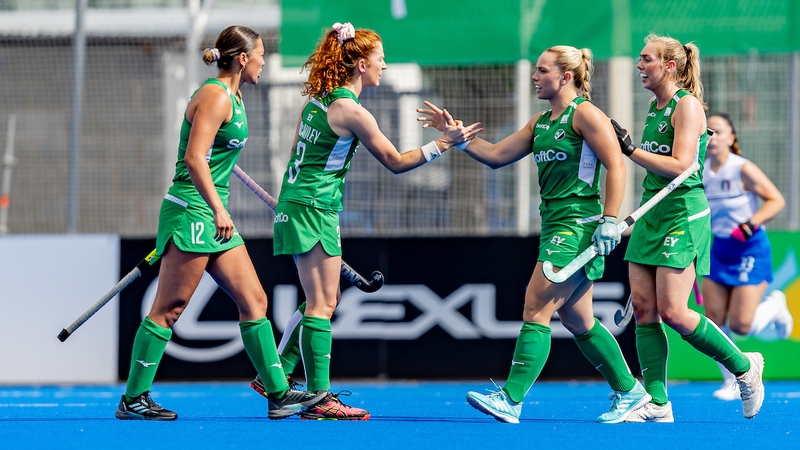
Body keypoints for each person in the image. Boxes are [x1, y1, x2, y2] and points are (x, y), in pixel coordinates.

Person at [250, 22, 479, 421]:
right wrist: (446, 143)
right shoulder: (351, 111)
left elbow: (294, 153)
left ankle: (282, 370)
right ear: (359, 65)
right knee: (323, 302)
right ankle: (319, 399)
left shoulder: (320, 99)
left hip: (304, 205)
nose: (384, 66)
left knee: (322, 299)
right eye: (380, 59)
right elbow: (395, 162)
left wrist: (294, 198)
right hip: (313, 209)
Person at [419, 45, 651, 424]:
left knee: (535, 308)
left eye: (542, 71)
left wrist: (611, 219)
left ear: (565, 76)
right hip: (553, 224)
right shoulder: (541, 122)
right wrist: (456, 137)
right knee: (579, 322)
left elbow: (616, 165)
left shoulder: (587, 114)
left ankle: (511, 399)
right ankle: (630, 392)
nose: (534, 76)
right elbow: (495, 155)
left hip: (577, 226)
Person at [115, 25, 325, 421]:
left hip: (213, 214)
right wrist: (218, 209)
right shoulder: (214, 96)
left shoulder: (235, 96)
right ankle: (133, 399)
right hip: (195, 211)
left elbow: (214, 154)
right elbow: (195, 159)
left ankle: (278, 394)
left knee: (255, 301)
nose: (265, 61)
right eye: (261, 54)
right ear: (243, 58)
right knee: (170, 308)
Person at [610, 34, 765, 421]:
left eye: (646, 59)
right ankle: (658, 403)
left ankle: (745, 367)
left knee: (676, 313)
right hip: (651, 211)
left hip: (682, 213)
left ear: (669, 66)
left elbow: (682, 166)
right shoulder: (653, 105)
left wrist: (631, 151)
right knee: (645, 309)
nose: (639, 65)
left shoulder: (688, 106)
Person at [702, 112, 791, 401]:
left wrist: (750, 223)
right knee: (713, 321)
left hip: (749, 247)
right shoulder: (698, 171)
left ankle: (776, 305)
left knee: (742, 325)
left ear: (732, 137)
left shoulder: (742, 168)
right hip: (718, 249)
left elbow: (776, 199)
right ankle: (733, 379)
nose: (712, 137)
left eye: (718, 131)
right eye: (707, 132)